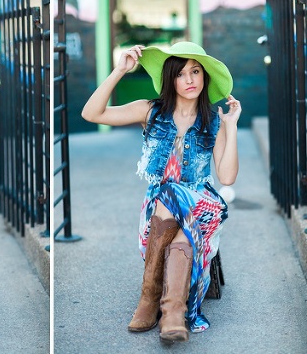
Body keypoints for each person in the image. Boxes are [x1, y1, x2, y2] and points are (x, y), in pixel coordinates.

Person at [81, 41, 241, 343]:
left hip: (201, 204)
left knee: (171, 194)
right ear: (171, 79)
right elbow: (91, 114)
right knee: (172, 211)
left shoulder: (213, 122)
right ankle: (169, 312)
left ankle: (154, 303)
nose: (190, 80)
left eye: (195, 71)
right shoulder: (150, 111)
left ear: (205, 76)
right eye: (181, 74)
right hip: (159, 210)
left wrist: (230, 128)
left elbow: (227, 177)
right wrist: (119, 71)